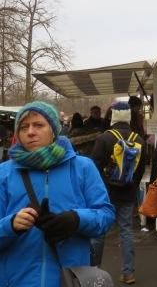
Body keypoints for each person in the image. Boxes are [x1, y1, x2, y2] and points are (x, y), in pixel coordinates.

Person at [0, 101, 115, 287]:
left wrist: (77, 219)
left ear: (53, 129)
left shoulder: (82, 167)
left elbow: (106, 215)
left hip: (70, 279)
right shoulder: (3, 174)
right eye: (23, 127)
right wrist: (10, 225)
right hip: (16, 280)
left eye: (38, 125)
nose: (30, 132)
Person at [90, 101, 146, 284]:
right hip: (128, 193)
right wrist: (131, 184)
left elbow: (93, 167)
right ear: (129, 117)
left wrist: (101, 187)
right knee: (126, 231)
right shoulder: (138, 139)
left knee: (99, 233)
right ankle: (128, 272)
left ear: (113, 116)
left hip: (105, 193)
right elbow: (141, 169)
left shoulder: (104, 138)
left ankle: (93, 270)